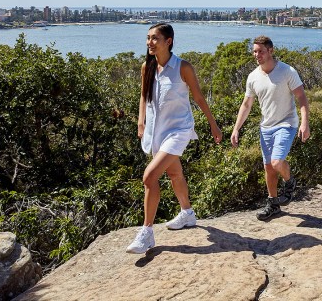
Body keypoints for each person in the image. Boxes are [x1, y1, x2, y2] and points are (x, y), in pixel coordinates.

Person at [126, 23, 222, 254]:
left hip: (178, 130)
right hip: (156, 131)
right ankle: (187, 213)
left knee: (149, 177)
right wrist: (141, 121)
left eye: (155, 38)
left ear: (168, 41)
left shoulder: (183, 67)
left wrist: (213, 124)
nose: (150, 42)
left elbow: (198, 97)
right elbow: (143, 95)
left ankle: (147, 232)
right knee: (174, 173)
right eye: (148, 38)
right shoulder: (146, 67)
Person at [231, 35, 310, 221]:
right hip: (265, 127)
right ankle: (273, 204)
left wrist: (305, 123)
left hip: (286, 123)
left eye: (261, 51)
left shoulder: (287, 71)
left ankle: (290, 182)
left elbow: (302, 98)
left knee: (276, 162)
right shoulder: (253, 77)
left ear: (271, 51)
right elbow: (246, 105)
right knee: (268, 167)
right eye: (254, 51)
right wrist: (236, 129)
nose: (257, 55)